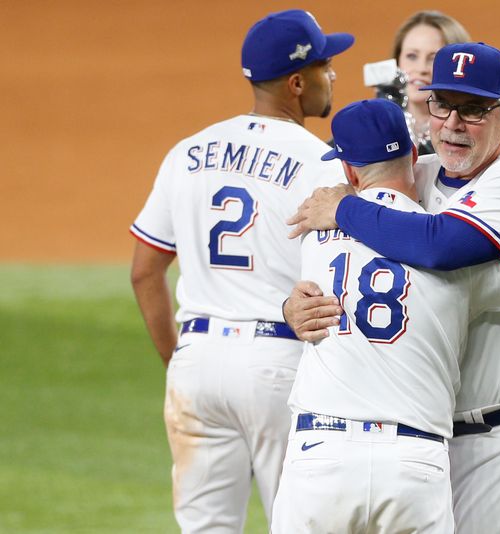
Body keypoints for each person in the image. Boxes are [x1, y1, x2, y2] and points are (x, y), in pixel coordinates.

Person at [285, 42, 500, 533]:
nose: (453, 124)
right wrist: (293, 306)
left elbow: (440, 246)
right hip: (427, 439)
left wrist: (345, 209)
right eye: (442, 104)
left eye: (474, 109)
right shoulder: (423, 173)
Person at [128, 10, 353, 532]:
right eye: (325, 65)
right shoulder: (322, 164)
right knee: (301, 523)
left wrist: (179, 360)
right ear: (297, 83)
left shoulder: (186, 153)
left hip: (197, 362)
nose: (333, 75)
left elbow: (145, 270)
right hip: (281, 366)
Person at [389, 10, 470, 154]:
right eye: (412, 56)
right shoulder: (375, 126)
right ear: (397, 61)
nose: (421, 69)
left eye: (434, 58)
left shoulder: (471, 135)